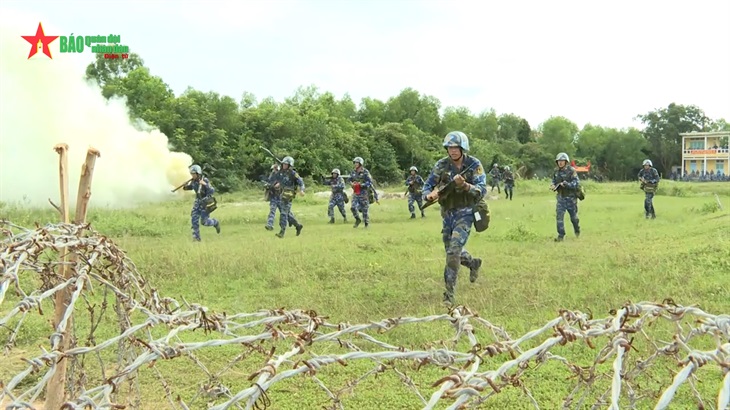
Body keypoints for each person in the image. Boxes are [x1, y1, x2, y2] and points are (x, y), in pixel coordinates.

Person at [422, 131, 486, 305]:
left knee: (453, 252)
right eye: (450, 148)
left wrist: (464, 185)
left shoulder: (473, 164)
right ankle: (473, 263)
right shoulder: (442, 165)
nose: (453, 151)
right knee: (452, 251)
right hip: (447, 214)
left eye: (456, 147)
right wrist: (429, 195)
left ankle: (449, 295)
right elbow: (428, 185)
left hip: (465, 213)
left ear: (463, 148)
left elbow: (481, 189)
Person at [182, 164, 220, 241]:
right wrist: (185, 186)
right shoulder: (193, 181)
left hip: (206, 202)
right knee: (194, 219)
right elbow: (190, 187)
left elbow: (212, 190)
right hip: (198, 202)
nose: (192, 175)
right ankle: (196, 238)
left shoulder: (205, 180)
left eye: (194, 174)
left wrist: (205, 184)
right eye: (191, 174)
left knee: (204, 222)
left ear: (198, 173)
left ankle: (215, 222)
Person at [271, 156, 305, 238]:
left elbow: (301, 182)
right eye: (283, 164)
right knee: (288, 214)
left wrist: (302, 190)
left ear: (290, 165)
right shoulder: (281, 172)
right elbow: (276, 178)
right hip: (282, 195)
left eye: (286, 164)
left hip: (288, 196)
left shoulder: (293, 174)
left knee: (283, 213)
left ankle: (282, 232)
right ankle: (298, 226)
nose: (284, 165)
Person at [550, 152, 581, 241]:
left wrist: (567, 184)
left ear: (566, 162)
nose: (560, 162)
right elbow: (553, 181)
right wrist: (552, 185)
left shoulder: (571, 171)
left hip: (571, 198)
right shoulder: (556, 172)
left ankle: (577, 230)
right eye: (559, 161)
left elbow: (576, 183)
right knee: (559, 217)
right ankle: (561, 235)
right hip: (561, 198)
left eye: (562, 161)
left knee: (574, 218)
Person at [348, 156, 373, 228]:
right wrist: (351, 184)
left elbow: (369, 182)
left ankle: (366, 223)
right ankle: (357, 219)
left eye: (357, 163)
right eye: (355, 163)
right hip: (356, 192)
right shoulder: (353, 172)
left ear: (360, 164)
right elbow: (349, 179)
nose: (355, 164)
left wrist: (361, 184)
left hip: (363, 193)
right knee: (353, 207)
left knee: (364, 209)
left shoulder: (365, 172)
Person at [265, 164, 281, 231]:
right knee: (272, 210)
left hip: (281, 197)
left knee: (285, 212)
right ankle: (269, 225)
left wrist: (279, 184)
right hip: (273, 196)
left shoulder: (282, 176)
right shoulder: (271, 176)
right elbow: (269, 183)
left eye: (275, 169)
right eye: (273, 169)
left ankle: (294, 223)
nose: (274, 171)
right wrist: (267, 186)